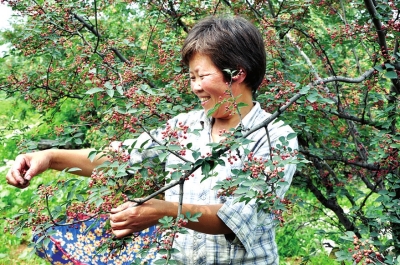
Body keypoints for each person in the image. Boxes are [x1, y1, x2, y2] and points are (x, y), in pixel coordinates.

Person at [6, 15, 298, 264]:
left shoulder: (275, 138)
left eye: (202, 76)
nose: (195, 87)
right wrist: (51, 158)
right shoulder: (183, 126)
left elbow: (234, 219)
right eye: (191, 77)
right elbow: (119, 158)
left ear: (237, 74)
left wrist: (163, 211)